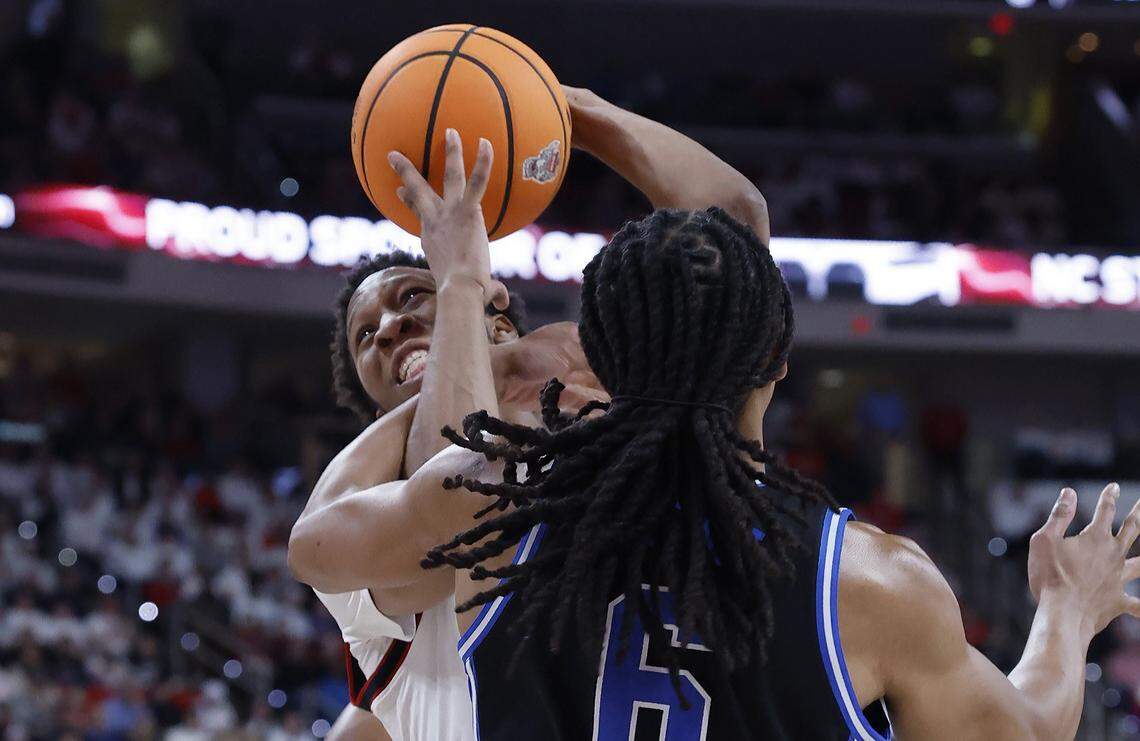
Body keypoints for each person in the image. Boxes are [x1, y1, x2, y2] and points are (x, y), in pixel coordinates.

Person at [332, 203, 1140, 739]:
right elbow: (1026, 732)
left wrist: (466, 309)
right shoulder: (871, 581)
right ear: (777, 363)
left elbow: (336, 534)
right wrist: (1067, 609)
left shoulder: (486, 524)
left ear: (601, 357)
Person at [290, 84, 771, 740]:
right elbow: (462, 503)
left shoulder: (617, 377)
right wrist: (456, 281)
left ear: (500, 301)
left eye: (410, 296)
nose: (390, 327)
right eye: (367, 337)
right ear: (377, 406)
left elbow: (737, 227)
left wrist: (570, 112)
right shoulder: (362, 496)